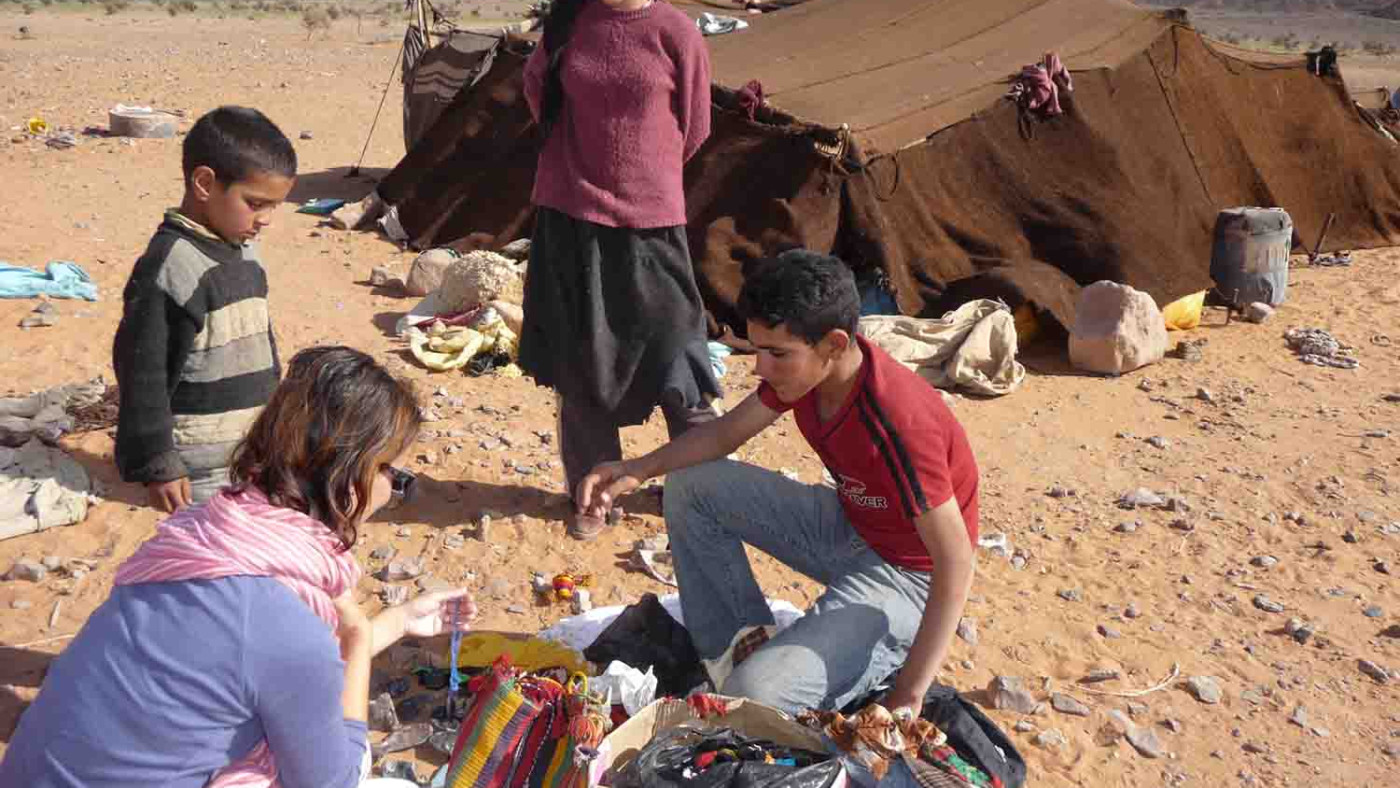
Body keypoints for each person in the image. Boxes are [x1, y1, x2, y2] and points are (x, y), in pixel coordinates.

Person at [0, 347, 477, 788]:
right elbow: (333, 778)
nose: (391, 490)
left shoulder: (200, 537)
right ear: (349, 474)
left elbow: (262, 662)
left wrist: (400, 621)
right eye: (392, 473)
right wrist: (355, 635)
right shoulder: (282, 624)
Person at [577, 250, 979, 715]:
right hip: (853, 525)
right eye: (758, 349)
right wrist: (636, 469)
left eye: (777, 353)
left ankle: (864, 658)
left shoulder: (897, 421)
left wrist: (910, 693)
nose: (760, 368)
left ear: (834, 344)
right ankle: (735, 653)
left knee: (755, 698)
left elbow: (956, 561)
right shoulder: (809, 376)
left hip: (909, 577)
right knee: (690, 485)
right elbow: (725, 434)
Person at [519, 0, 721, 540]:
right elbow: (538, 92)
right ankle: (592, 492)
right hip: (570, 217)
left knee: (678, 351)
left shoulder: (675, 32)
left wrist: (642, 177)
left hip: (651, 223)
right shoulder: (568, 21)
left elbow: (695, 126)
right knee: (581, 358)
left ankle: (704, 489)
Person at [113, 105, 295, 512]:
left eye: (274, 207)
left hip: (248, 450)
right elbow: (142, 373)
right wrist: (158, 462)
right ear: (204, 183)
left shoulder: (246, 252)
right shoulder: (170, 267)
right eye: (255, 203)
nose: (266, 220)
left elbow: (257, 338)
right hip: (197, 465)